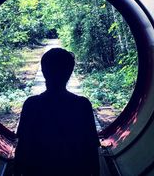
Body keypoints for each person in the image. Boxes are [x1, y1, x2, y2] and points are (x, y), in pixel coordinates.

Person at [13, 48, 100, 176]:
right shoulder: (82, 105)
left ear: (43, 72)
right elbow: (91, 149)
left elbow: (22, 149)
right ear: (70, 72)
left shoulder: (31, 105)